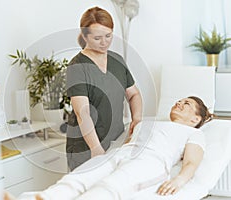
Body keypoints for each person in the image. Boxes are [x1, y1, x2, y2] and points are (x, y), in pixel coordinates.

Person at [34, 96, 213, 200]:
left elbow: (191, 162)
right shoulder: (145, 123)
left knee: (110, 186)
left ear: (195, 119)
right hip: (123, 153)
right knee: (82, 176)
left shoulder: (194, 134)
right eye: (179, 100)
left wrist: (179, 180)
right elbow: (128, 143)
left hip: (151, 161)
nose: (179, 103)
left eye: (187, 104)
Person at [66, 6, 143, 171]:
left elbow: (134, 94)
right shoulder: (77, 66)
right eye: (98, 38)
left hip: (117, 141)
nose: (104, 42)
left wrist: (136, 119)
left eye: (108, 36)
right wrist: (95, 148)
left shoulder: (117, 61)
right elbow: (82, 112)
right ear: (85, 36)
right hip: (86, 148)